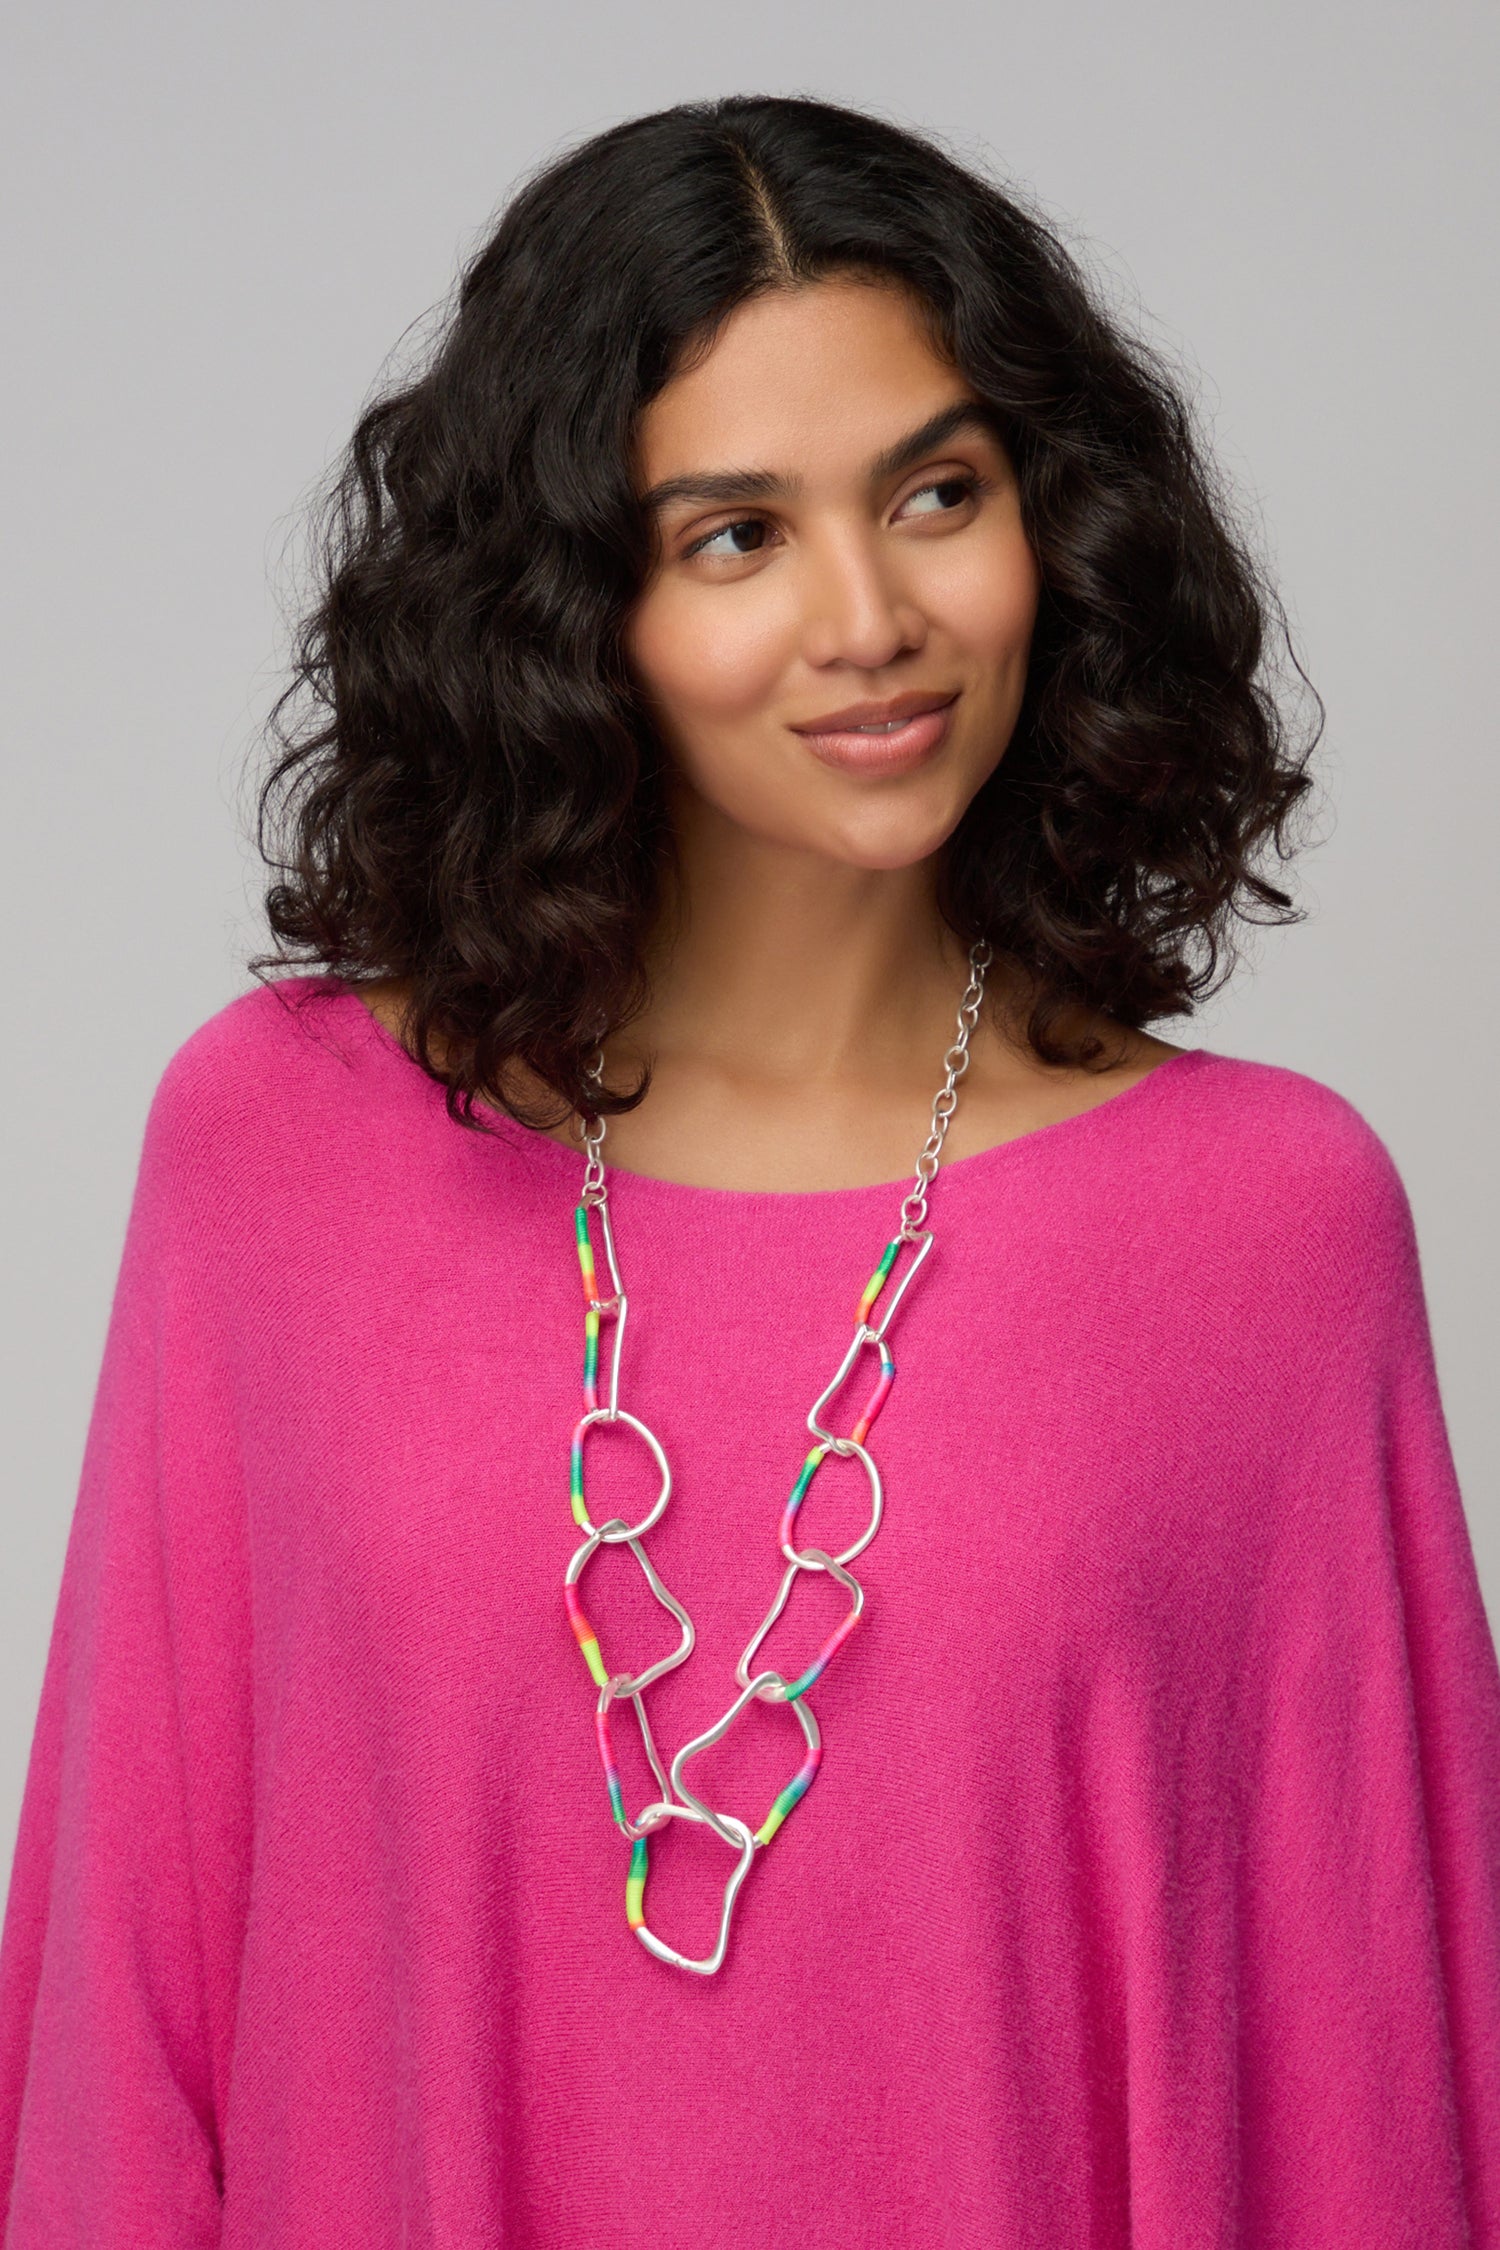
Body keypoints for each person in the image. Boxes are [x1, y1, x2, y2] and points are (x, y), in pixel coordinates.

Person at [1, 90, 1496, 2247]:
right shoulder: (271, 1150)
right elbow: (117, 2026)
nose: (869, 614)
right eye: (736, 535)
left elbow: (1381, 2081)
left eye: (936, 494)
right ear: (569, 609)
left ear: (1055, 527)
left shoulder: (1272, 1227)